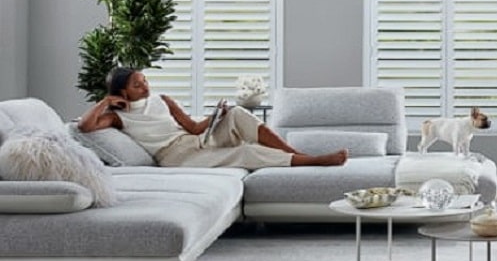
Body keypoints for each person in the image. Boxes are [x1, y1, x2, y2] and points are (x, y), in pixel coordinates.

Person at [78, 67, 348, 169]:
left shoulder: (163, 100)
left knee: (239, 113)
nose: (146, 87)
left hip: (195, 140)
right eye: (138, 85)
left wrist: (215, 117)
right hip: (176, 157)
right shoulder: (117, 118)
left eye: (145, 80)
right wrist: (104, 102)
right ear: (122, 91)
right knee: (244, 153)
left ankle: (295, 153)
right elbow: (84, 126)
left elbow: (194, 128)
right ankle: (312, 161)